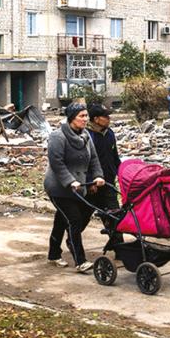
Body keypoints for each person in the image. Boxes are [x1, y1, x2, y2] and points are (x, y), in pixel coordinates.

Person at [44, 103, 105, 273]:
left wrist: (98, 176)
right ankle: (80, 260)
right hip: (59, 187)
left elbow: (94, 159)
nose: (86, 119)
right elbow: (57, 163)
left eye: (86, 116)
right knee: (74, 219)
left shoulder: (85, 136)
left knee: (61, 220)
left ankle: (53, 254)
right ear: (72, 118)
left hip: (79, 186)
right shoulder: (58, 136)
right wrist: (70, 181)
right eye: (82, 116)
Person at [86, 103, 124, 248]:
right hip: (92, 184)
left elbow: (115, 157)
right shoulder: (88, 135)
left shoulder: (110, 133)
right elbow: (85, 161)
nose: (109, 119)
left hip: (108, 182)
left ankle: (120, 248)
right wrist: (90, 182)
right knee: (83, 217)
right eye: (106, 116)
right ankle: (72, 242)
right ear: (96, 119)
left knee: (114, 215)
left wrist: (121, 173)